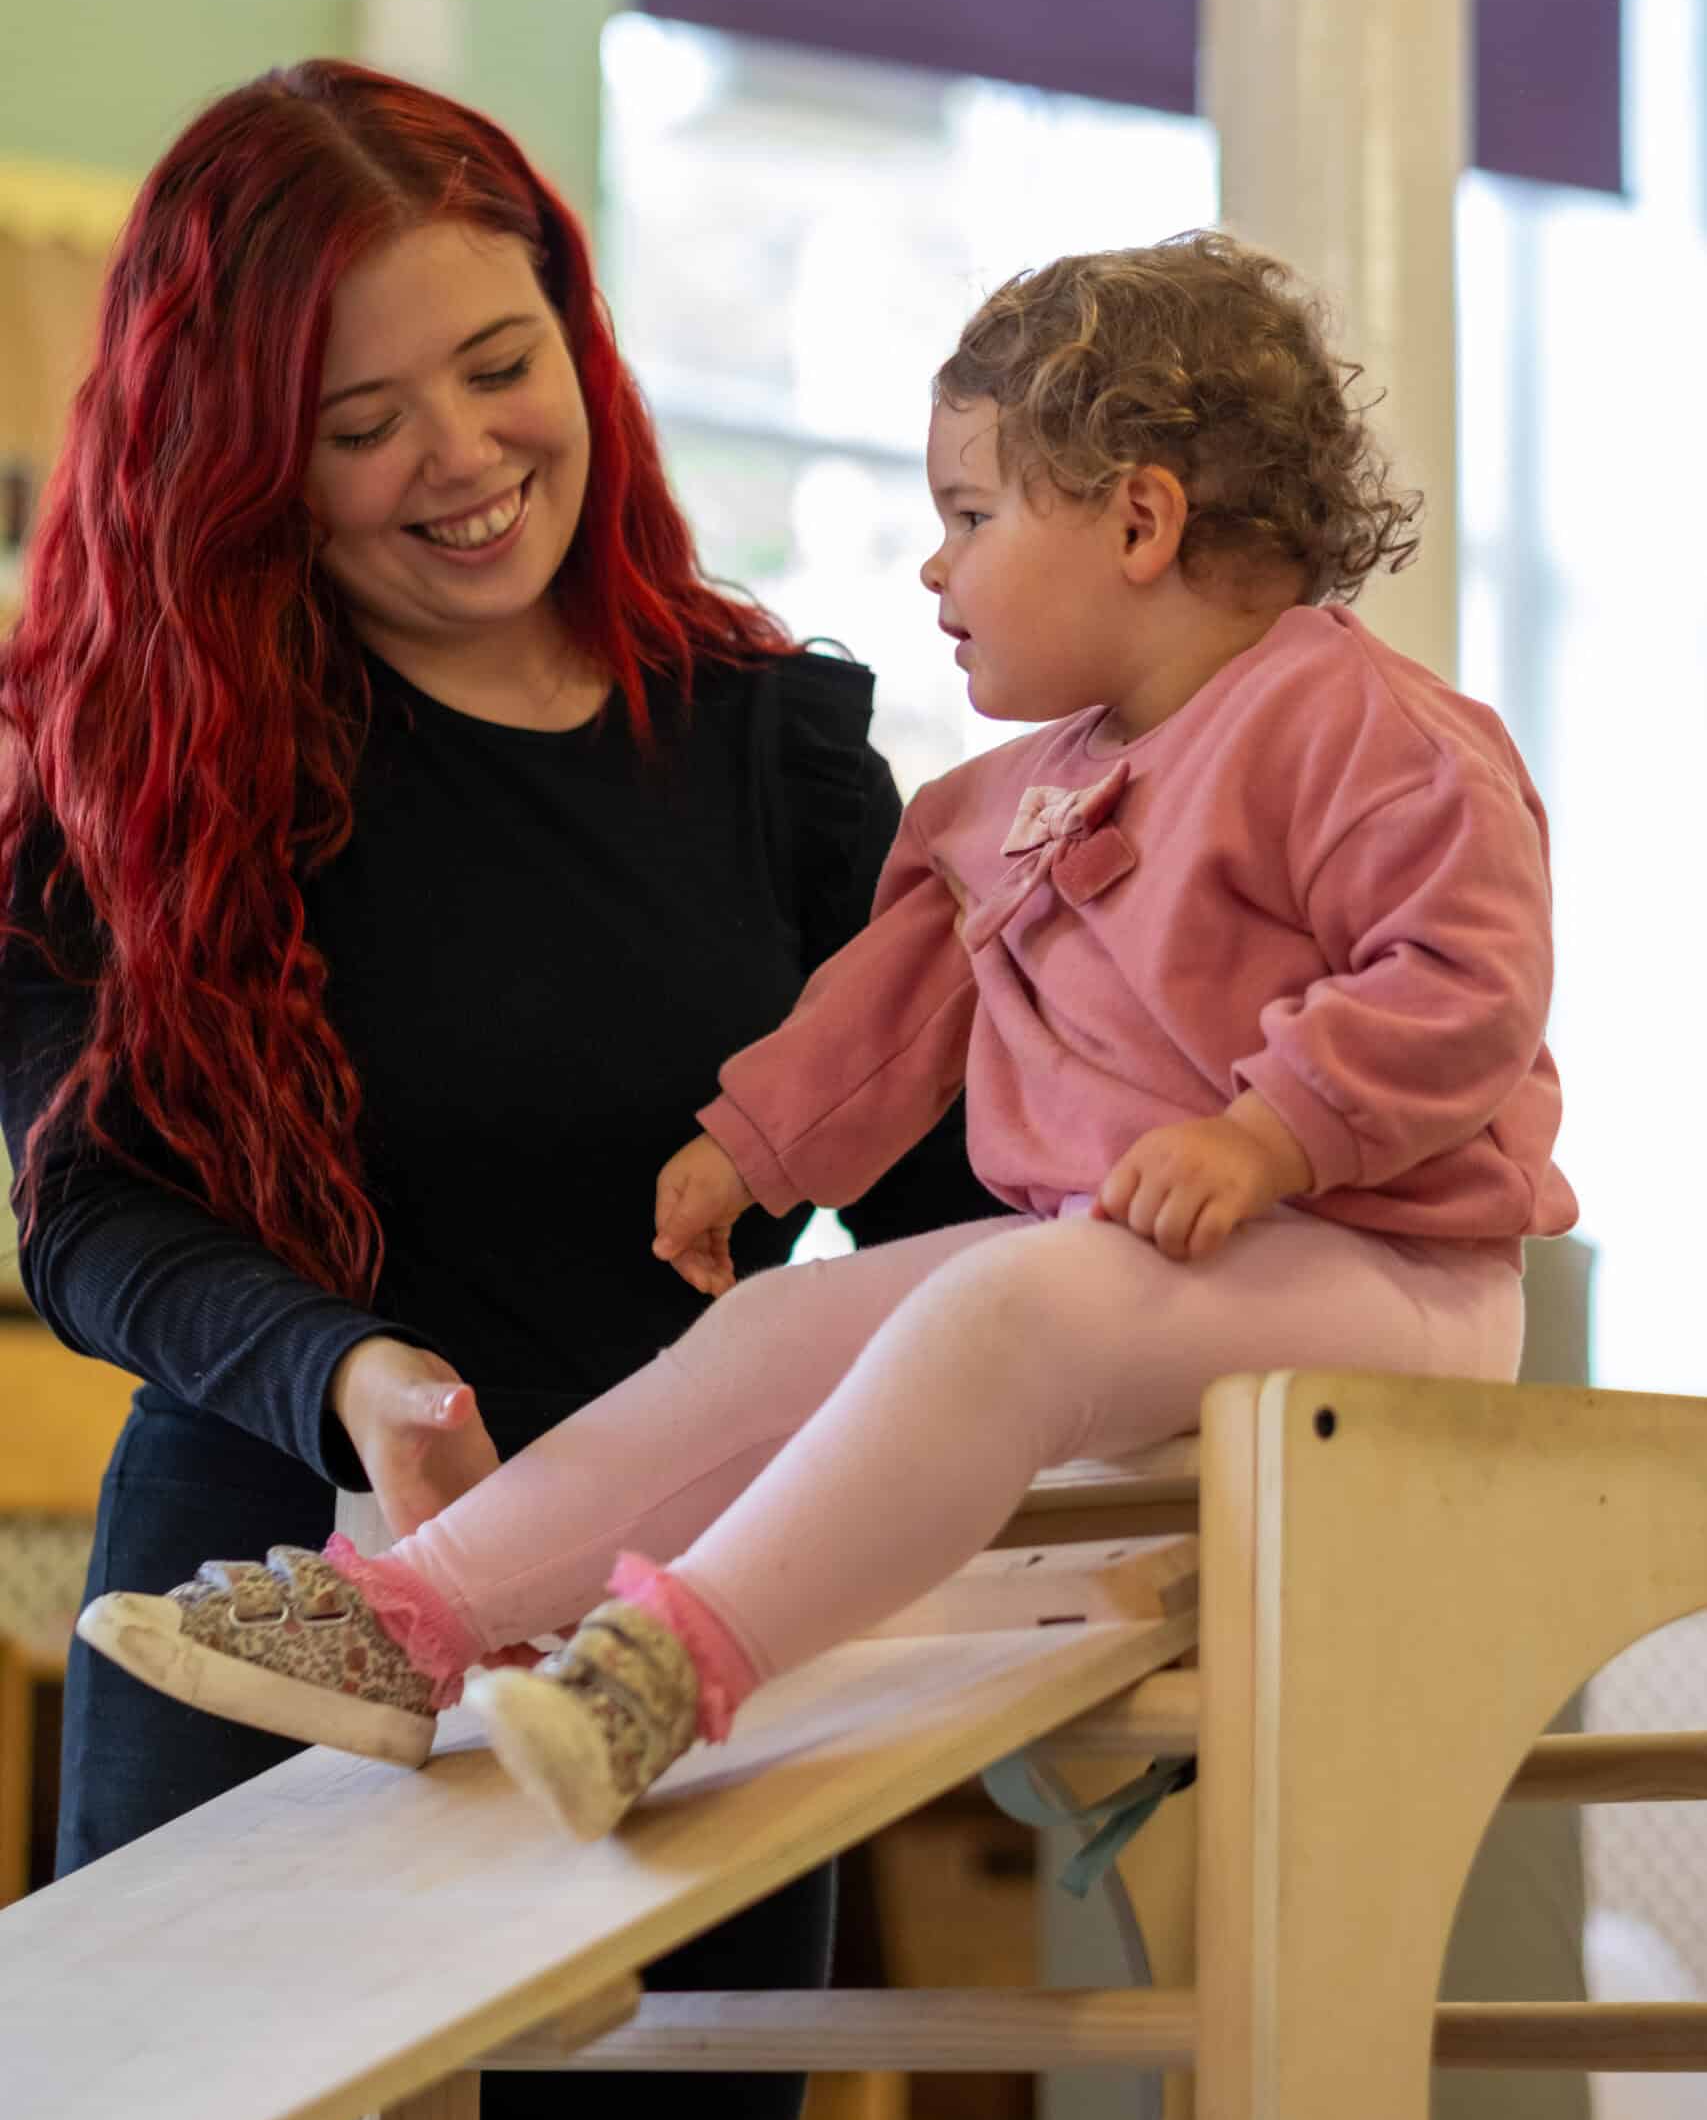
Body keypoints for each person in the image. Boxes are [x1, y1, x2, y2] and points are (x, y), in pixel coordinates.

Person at [81, 232, 1578, 1852]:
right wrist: (754, 1147)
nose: (937, 571)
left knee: (1008, 1295)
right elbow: (889, 1011)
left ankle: (665, 1669)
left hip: (1382, 1276)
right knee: (774, 1337)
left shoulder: (1361, 726)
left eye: (972, 516)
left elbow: (1467, 977)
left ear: (1140, 520)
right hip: (1135, 1276)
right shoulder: (1006, 799)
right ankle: (413, 1619)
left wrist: (1268, 1132)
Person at [0, 57, 1005, 2120]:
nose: (460, 459)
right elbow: (90, 1214)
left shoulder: (782, 763)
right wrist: (355, 1371)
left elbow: (963, 1225)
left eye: (498, 362)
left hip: (679, 1649)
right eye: (363, 425)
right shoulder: (132, 772)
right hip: (272, 1611)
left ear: (578, 336)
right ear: (248, 459)